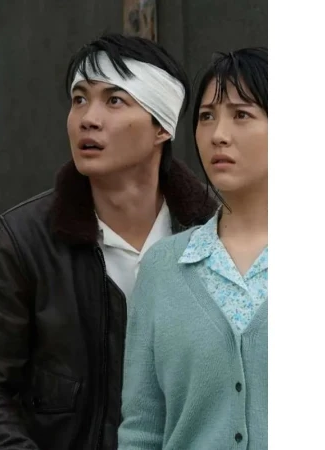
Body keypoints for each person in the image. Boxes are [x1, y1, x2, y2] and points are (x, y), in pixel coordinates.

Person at [0, 33, 216, 450]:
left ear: (162, 127)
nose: (87, 119)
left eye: (114, 100)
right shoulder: (22, 240)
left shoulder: (213, 232)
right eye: (79, 99)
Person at [118, 47, 268, 450]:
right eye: (206, 117)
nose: (218, 134)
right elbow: (142, 429)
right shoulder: (163, 268)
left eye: (241, 115)